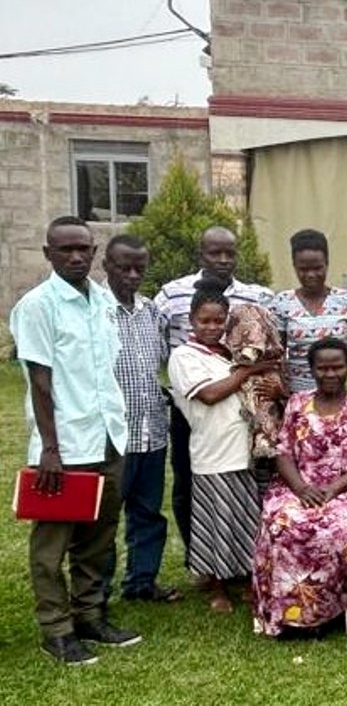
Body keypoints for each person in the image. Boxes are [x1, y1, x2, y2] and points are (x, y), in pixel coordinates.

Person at [12, 216, 140, 664]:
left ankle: (89, 615)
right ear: (48, 253)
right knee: (52, 545)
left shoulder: (101, 300)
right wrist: (50, 448)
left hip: (108, 437)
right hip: (64, 446)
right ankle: (56, 629)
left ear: (94, 251)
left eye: (83, 248)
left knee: (99, 538)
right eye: (65, 249)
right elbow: (40, 381)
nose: (76, 256)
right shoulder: (38, 305)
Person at [153, 225, 273, 569]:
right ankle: (202, 561)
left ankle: (242, 561)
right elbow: (159, 343)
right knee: (191, 482)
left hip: (241, 408)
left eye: (229, 253)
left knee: (243, 479)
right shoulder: (171, 294)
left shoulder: (256, 296)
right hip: (193, 400)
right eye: (214, 253)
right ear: (200, 254)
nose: (222, 259)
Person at [250, 338, 347, 636]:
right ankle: (288, 614)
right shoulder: (298, 403)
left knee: (334, 526)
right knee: (283, 522)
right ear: (311, 370)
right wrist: (300, 488)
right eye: (322, 368)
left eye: (337, 367)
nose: (330, 373)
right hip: (298, 486)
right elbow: (283, 452)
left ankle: (323, 613)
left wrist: (335, 488)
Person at [168, 279, 278, 615]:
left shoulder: (231, 353)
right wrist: (249, 371)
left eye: (219, 321)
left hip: (244, 449)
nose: (212, 327)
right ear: (191, 319)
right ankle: (216, 587)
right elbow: (210, 394)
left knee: (246, 520)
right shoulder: (184, 356)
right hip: (213, 452)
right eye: (205, 320)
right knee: (216, 523)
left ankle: (245, 579)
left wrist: (265, 381)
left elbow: (264, 384)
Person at [102, 235, 179, 604]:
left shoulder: (152, 312)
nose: (132, 275)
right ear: (107, 266)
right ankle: (95, 592)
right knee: (103, 519)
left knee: (147, 513)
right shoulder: (95, 311)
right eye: (123, 267)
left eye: (139, 268)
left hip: (152, 433)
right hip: (112, 438)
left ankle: (141, 582)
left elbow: (157, 364)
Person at [269, 229, 347, 396]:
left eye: (317, 268)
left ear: (327, 263)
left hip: (336, 392)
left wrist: (334, 373)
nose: (311, 275)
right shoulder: (282, 303)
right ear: (294, 266)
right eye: (303, 269)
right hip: (295, 394)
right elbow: (278, 351)